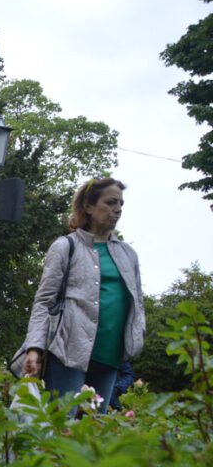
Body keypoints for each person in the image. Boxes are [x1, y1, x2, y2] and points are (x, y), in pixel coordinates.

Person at [21, 177, 145, 413]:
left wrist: (136, 338)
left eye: (120, 203)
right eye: (110, 202)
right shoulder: (66, 246)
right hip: (68, 352)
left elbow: (137, 303)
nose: (117, 209)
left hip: (110, 356)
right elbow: (45, 301)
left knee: (94, 433)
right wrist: (34, 347)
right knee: (61, 426)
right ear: (88, 206)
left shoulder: (129, 254)